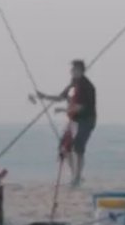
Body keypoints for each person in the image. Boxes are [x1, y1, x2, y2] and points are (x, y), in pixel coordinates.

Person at [36, 59, 98, 188]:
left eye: (74, 69)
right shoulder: (73, 84)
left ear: (80, 70)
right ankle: (74, 175)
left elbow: (81, 107)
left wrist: (65, 110)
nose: (71, 71)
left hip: (87, 120)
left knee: (78, 148)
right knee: (64, 146)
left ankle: (77, 177)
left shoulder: (87, 87)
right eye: (71, 69)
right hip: (74, 120)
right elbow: (61, 97)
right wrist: (44, 96)